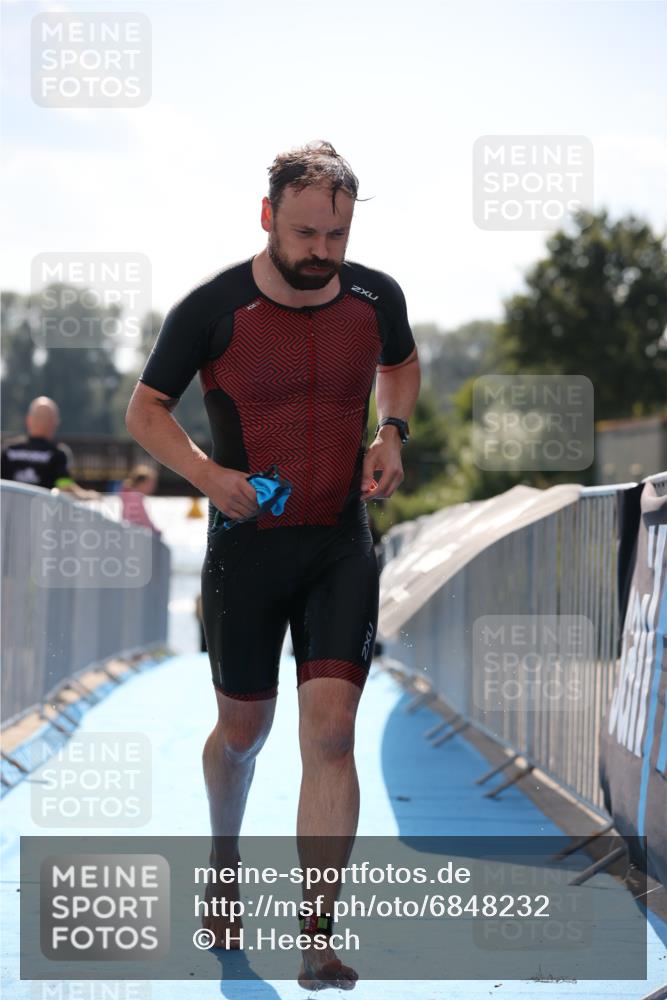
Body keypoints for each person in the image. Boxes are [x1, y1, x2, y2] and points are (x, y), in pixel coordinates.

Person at [125, 140, 420, 990]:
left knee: (330, 734)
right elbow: (145, 411)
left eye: (336, 235)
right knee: (243, 736)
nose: (321, 251)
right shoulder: (213, 308)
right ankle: (224, 859)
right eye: (304, 234)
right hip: (245, 552)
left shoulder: (375, 297)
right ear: (267, 217)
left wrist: (390, 433)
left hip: (338, 543)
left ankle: (317, 935)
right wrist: (208, 477)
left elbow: (400, 366)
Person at [1, 396, 98, 498]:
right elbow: (65, 487)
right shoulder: (58, 454)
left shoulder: (8, 449)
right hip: (41, 507)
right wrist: (89, 496)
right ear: (55, 422)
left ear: (28, 420)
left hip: (9, 507)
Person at [119, 465, 161, 535]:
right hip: (135, 532)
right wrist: (153, 530)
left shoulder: (131, 495)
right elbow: (141, 517)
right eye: (150, 484)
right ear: (141, 483)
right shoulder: (133, 497)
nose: (153, 487)